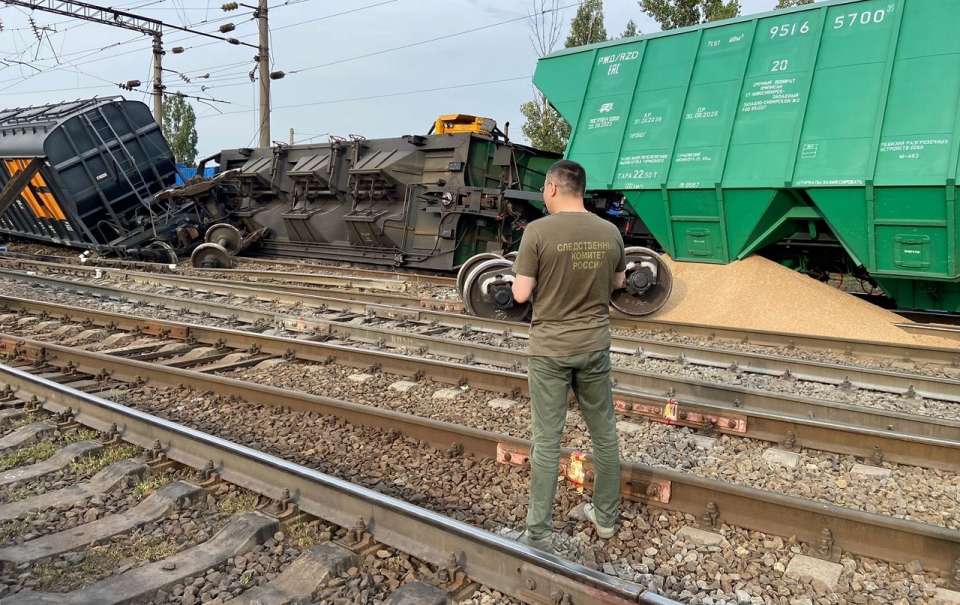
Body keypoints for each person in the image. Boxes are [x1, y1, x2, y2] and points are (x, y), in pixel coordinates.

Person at [512, 159, 626, 550]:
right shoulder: (609, 231)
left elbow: (521, 294)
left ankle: (539, 531)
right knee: (604, 435)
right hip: (594, 345)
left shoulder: (538, 232)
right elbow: (619, 282)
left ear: (553, 188)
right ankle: (606, 518)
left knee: (547, 440)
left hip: (550, 349)